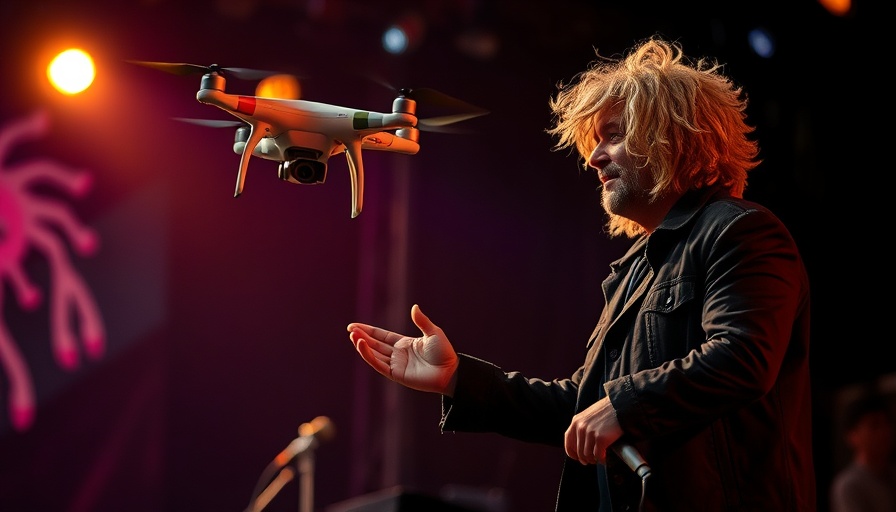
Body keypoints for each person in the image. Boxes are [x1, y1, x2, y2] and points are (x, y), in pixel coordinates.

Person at [346, 36, 814, 511]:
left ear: (673, 137)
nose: (594, 158)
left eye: (614, 135)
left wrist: (624, 405)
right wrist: (457, 378)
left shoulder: (740, 230)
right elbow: (584, 408)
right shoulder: (635, 269)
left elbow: (743, 357)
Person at [829, 391, 896, 512]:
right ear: (853, 436)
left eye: (887, 423)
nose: (885, 431)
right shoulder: (849, 485)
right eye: (874, 425)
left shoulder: (891, 475)